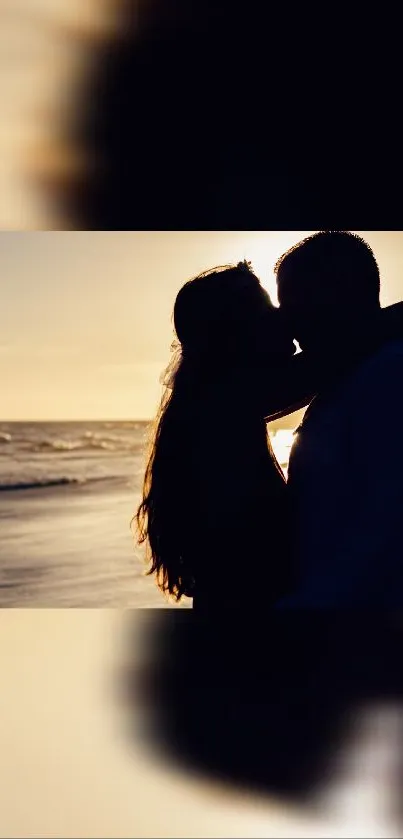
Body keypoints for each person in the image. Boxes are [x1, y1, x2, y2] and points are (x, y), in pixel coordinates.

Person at [135, 261, 297, 612]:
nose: (285, 317)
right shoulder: (223, 405)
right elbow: (331, 360)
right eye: (267, 310)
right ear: (235, 336)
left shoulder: (207, 404)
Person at [274, 230, 403, 609]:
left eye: (295, 304)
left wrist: (299, 610)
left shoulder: (389, 377)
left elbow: (386, 523)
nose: (289, 326)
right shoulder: (342, 380)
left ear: (338, 295)